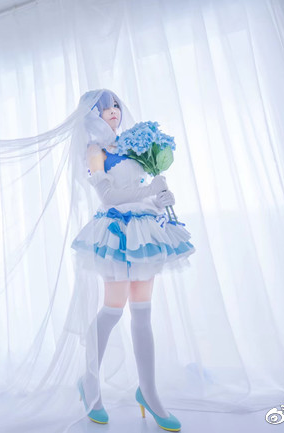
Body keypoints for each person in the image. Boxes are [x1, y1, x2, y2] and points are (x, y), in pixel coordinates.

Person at [70, 89, 195, 431]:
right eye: (104, 108)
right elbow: (109, 196)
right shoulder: (95, 151)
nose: (113, 111)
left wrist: (160, 199)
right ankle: (90, 383)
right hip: (116, 231)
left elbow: (141, 189)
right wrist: (150, 190)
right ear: (92, 115)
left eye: (115, 105)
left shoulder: (130, 146)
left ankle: (149, 392)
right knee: (113, 309)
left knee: (143, 312)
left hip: (143, 230)